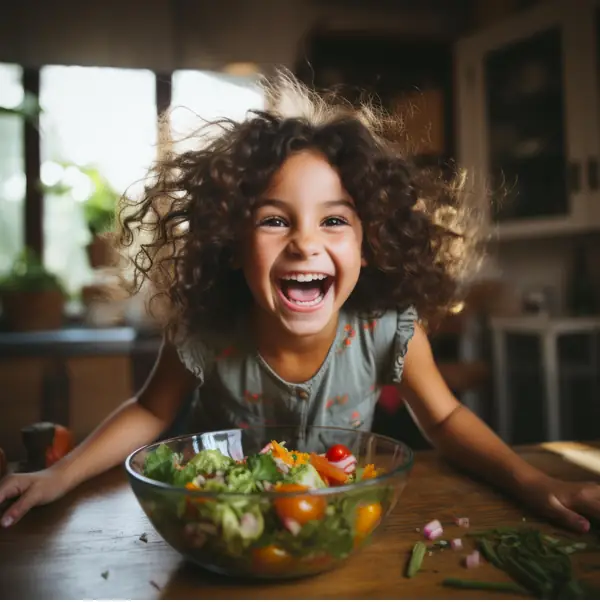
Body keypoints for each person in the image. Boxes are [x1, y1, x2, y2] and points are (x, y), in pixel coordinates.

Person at [1, 71, 598, 532]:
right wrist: (58, 475)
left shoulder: (387, 328)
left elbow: (444, 418)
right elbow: (150, 413)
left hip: (339, 531)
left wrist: (529, 480)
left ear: (371, 245)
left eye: (334, 220)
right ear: (232, 244)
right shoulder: (208, 329)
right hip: (223, 529)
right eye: (274, 220)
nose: (305, 242)